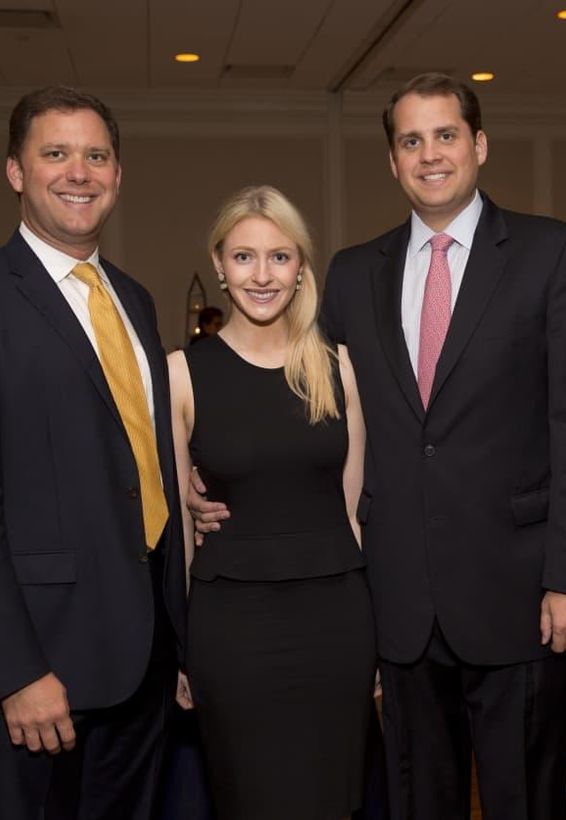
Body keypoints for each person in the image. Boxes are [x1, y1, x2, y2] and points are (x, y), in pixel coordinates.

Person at [192, 73, 566, 819]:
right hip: (396, 602)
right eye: (410, 141)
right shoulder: (356, 274)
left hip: (519, 595)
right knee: (419, 800)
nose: (429, 155)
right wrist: (203, 474)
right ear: (391, 161)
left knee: (527, 797)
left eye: (445, 135)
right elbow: (297, 407)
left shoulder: (553, 254)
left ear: (478, 145)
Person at [0, 86, 184, 818]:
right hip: (42, 670)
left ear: (118, 175)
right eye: (55, 153)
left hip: (147, 653)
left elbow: (132, 462)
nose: (79, 172)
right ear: (15, 172)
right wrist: (16, 673)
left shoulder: (135, 299)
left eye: (96, 155)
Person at [168, 185, 376, 820]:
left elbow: (354, 512)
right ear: (220, 268)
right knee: (249, 797)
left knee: (333, 795)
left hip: (336, 623)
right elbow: (180, 525)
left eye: (280, 257)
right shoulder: (181, 372)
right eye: (244, 258)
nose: (263, 275)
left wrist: (376, 640)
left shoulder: (338, 368)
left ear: (301, 268)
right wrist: (181, 650)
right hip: (233, 629)